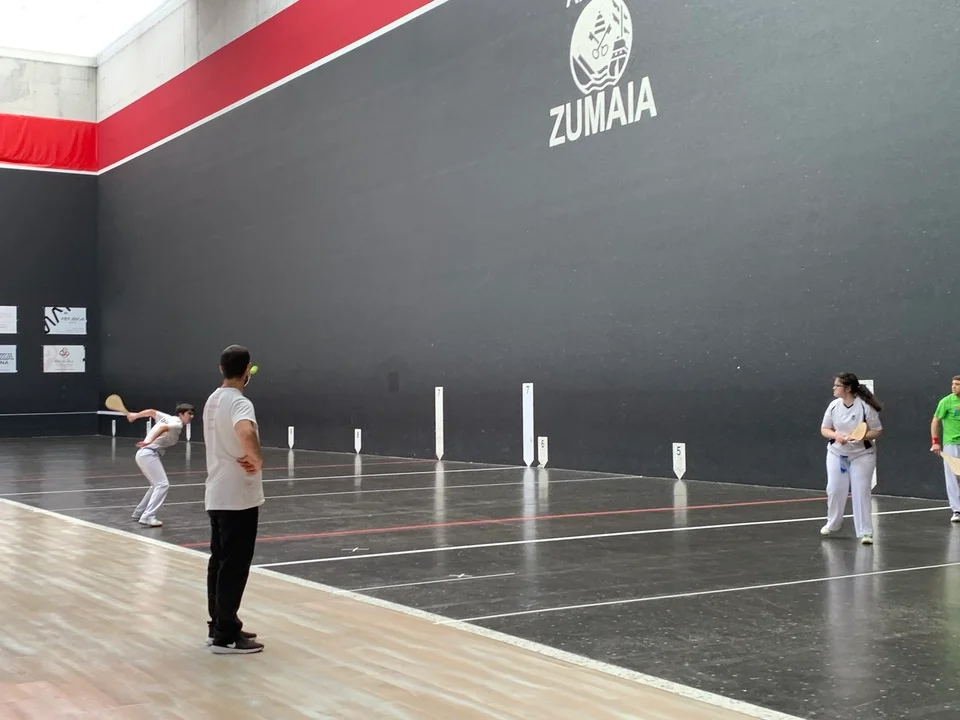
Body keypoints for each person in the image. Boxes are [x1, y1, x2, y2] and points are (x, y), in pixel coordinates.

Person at [203, 344, 265, 654]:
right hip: (238, 497)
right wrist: (256, 458)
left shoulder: (212, 400)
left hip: (216, 494)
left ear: (221, 369)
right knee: (234, 567)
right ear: (248, 370)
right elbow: (245, 431)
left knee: (219, 562)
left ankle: (219, 624)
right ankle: (225, 637)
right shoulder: (240, 402)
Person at [819, 373, 883, 545]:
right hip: (836, 453)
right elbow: (825, 429)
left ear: (847, 388)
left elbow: (877, 431)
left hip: (862, 454)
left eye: (837, 385)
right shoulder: (834, 406)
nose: (833, 388)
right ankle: (833, 524)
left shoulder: (865, 407)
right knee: (834, 489)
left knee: (861, 491)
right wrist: (836, 435)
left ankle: (865, 532)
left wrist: (860, 436)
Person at [126, 403, 195, 527]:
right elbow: (162, 428)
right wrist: (148, 441)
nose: (191, 416)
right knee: (162, 485)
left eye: (192, 414)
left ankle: (139, 513)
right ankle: (148, 516)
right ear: (181, 414)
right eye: (189, 413)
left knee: (156, 485)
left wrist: (135, 415)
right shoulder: (177, 424)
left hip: (144, 454)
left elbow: (151, 411)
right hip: (149, 454)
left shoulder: (168, 418)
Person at [929, 375, 960, 523]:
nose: (953, 386)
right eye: (953, 384)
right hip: (951, 444)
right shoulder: (946, 401)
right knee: (952, 477)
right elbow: (935, 421)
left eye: (957, 384)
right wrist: (935, 442)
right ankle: (957, 510)